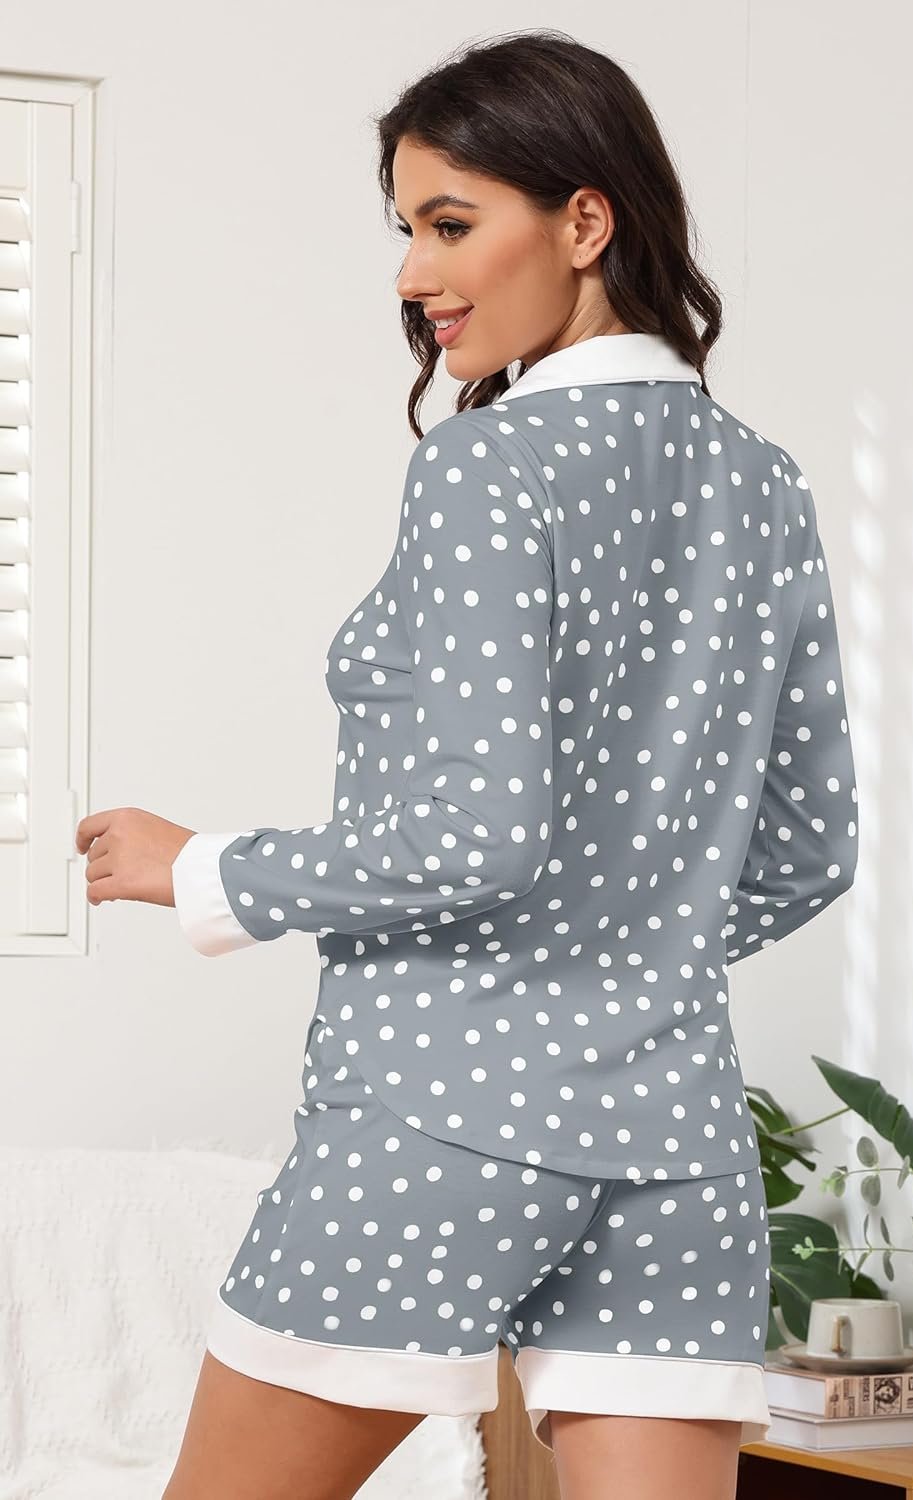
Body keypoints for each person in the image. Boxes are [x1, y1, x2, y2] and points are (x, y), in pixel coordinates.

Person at [76, 28, 859, 1500]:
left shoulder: (488, 464)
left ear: (585, 220)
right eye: (406, 230)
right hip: (678, 1144)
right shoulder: (763, 481)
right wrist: (624, 949)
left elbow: (474, 836)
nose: (412, 274)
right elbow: (812, 849)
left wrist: (205, 868)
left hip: (441, 1121)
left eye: (450, 224)